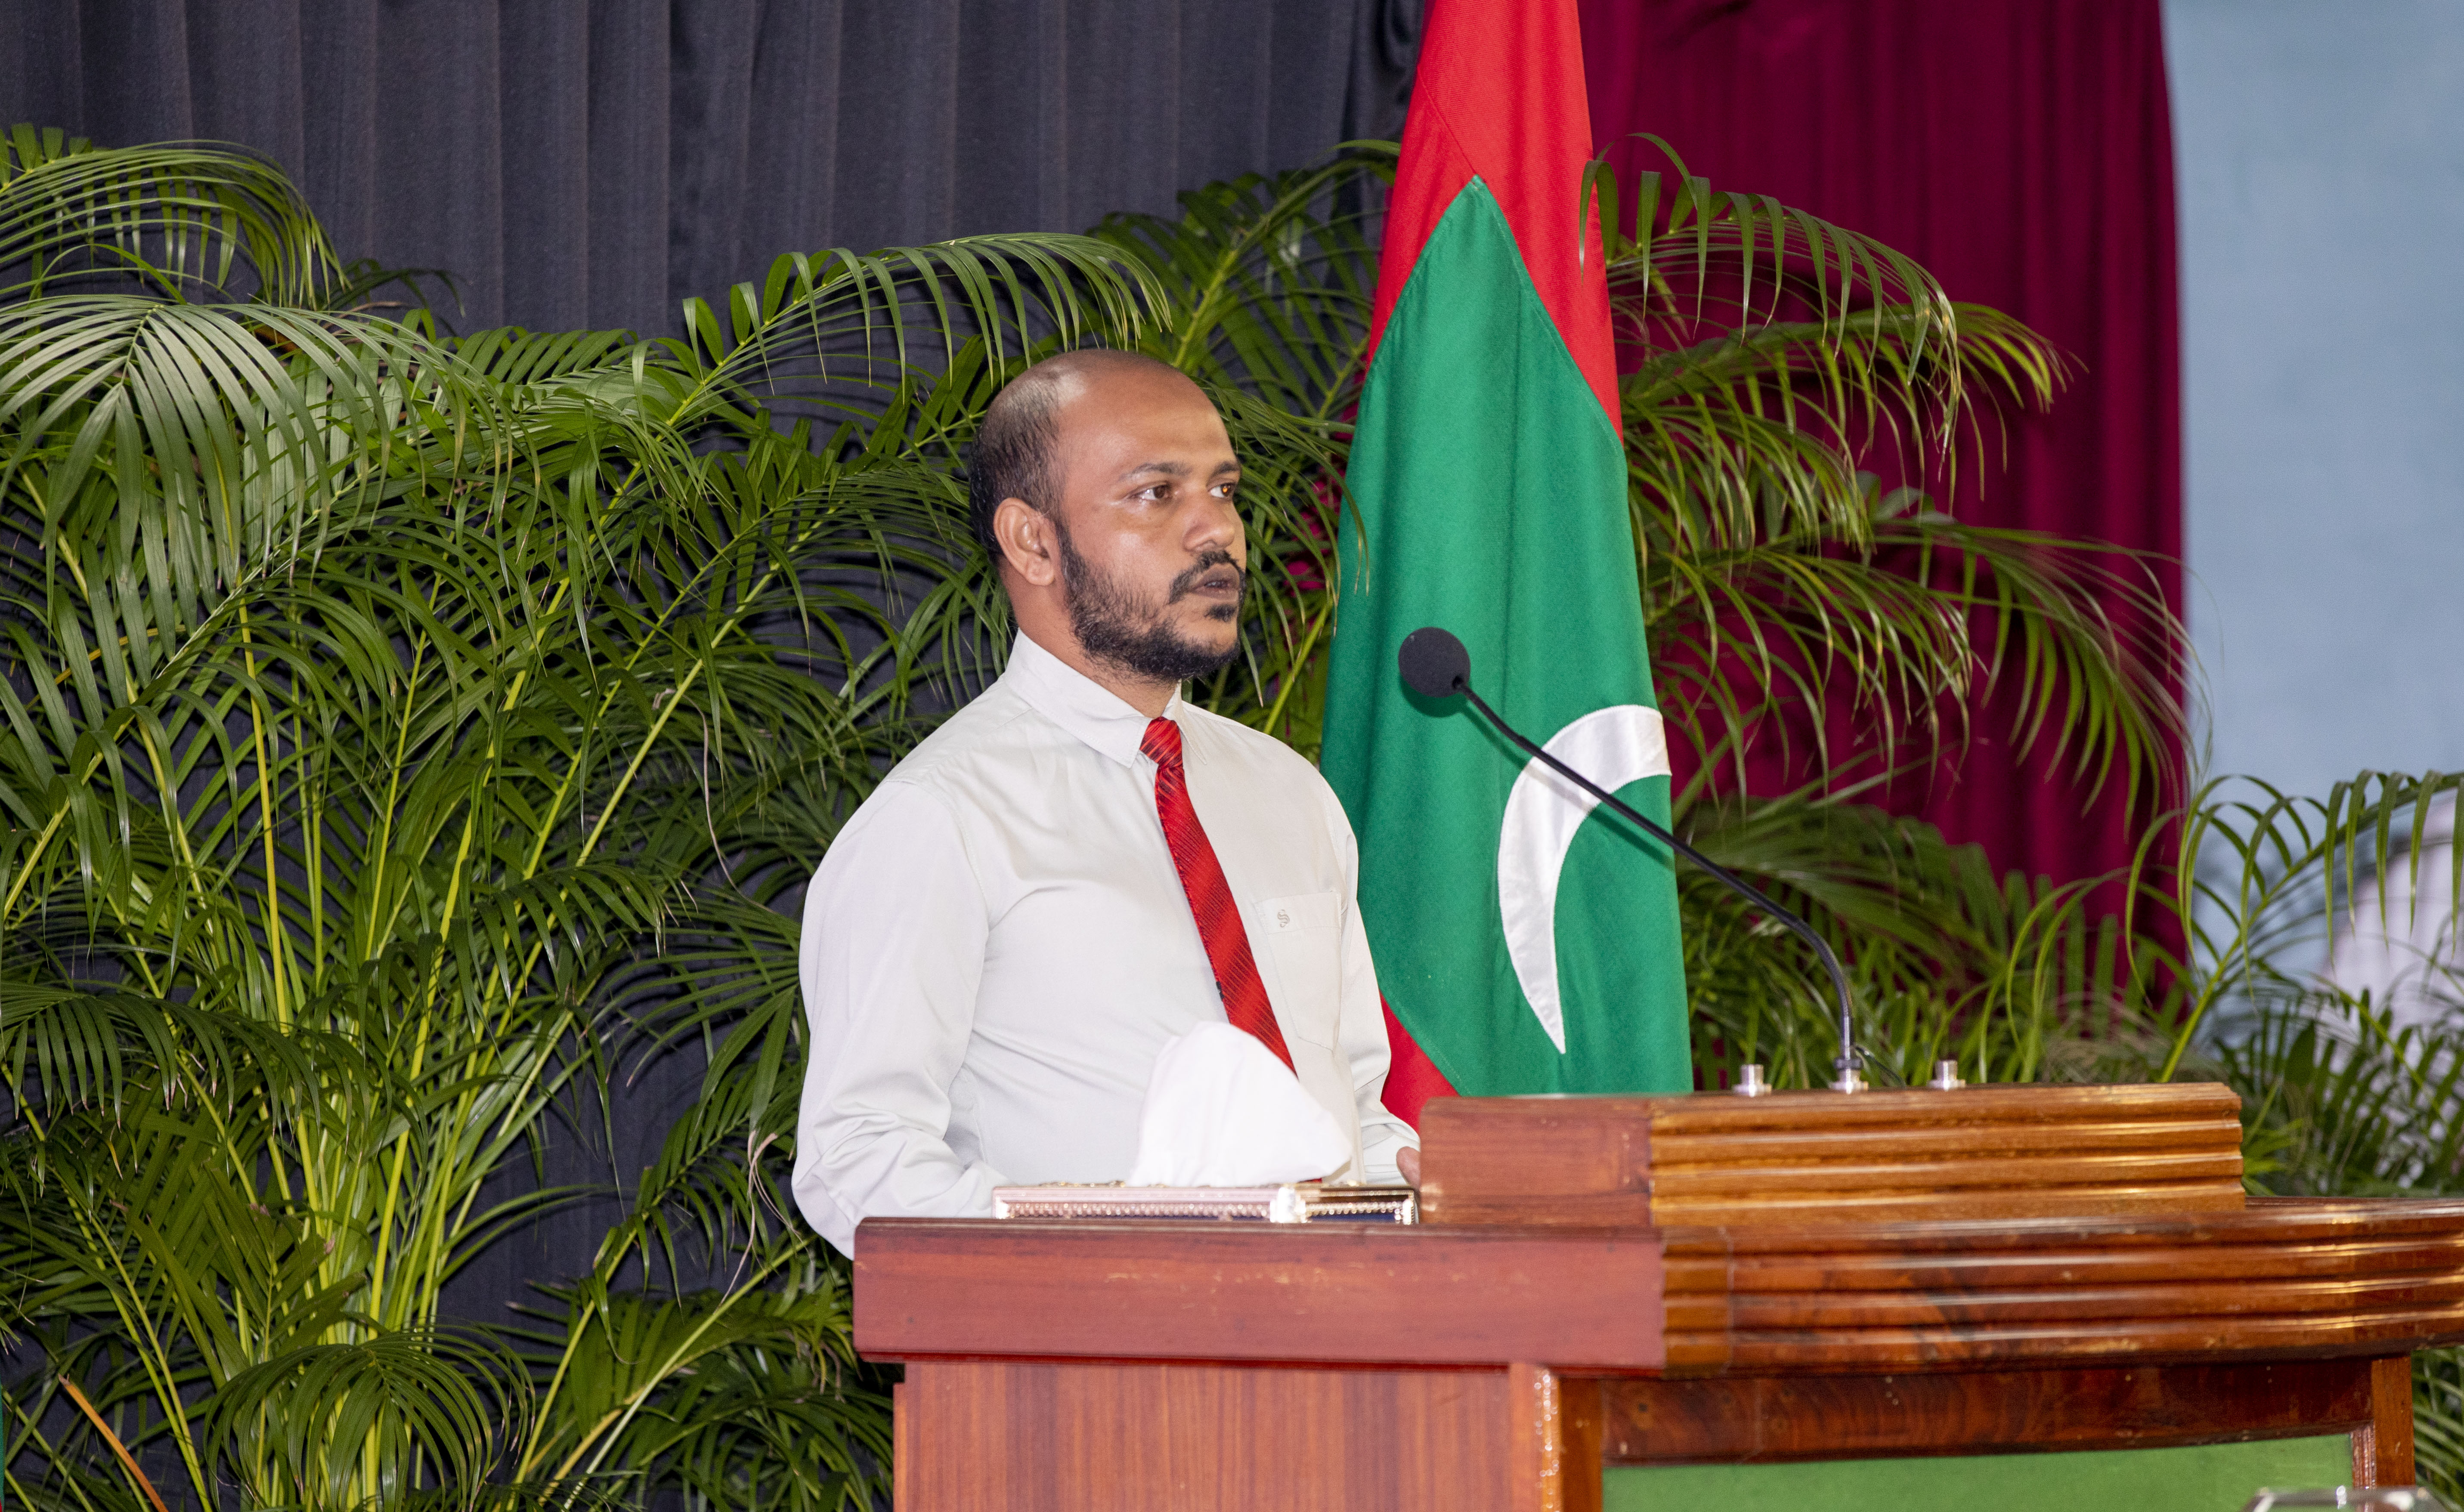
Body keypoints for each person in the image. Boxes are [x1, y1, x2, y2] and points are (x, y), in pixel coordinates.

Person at [791, 349, 1419, 1255]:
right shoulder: (942, 818)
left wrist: (1437, 1192)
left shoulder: (1290, 793)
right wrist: (1095, 1263)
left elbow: (1353, 1107)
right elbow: (857, 1158)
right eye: (1156, 493)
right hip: (1094, 1337)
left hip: (1334, 1321)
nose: (1217, 530)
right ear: (1033, 542)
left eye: (1225, 489)